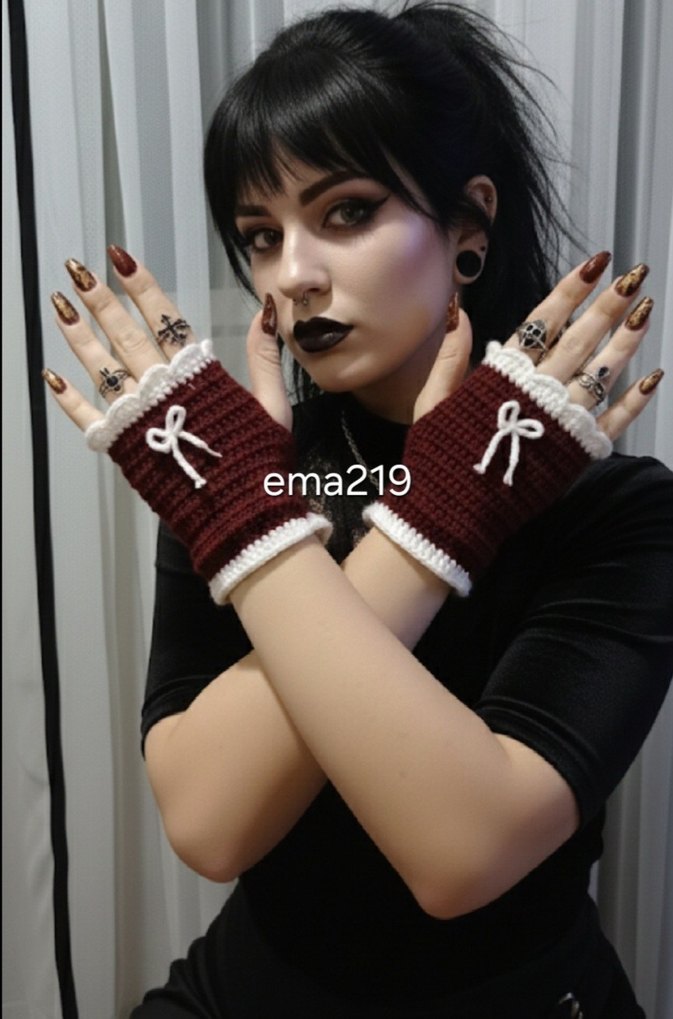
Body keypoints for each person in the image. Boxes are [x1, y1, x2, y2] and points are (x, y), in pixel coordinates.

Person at [42, 3, 672, 1015]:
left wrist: (352, 523)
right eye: (260, 235)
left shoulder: (614, 510)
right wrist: (408, 515)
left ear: (466, 226)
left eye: (346, 212)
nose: (292, 275)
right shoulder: (233, 469)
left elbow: (460, 852)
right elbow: (208, 823)